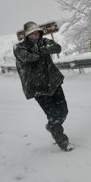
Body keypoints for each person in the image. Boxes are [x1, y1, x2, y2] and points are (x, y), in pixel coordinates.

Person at [13, 21, 73, 151]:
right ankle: (62, 140)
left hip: (54, 82)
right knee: (53, 115)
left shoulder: (44, 41)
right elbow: (29, 57)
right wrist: (43, 50)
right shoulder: (19, 47)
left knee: (63, 111)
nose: (35, 35)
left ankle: (51, 126)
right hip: (37, 88)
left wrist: (42, 49)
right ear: (27, 35)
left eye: (37, 33)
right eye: (32, 33)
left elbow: (57, 48)